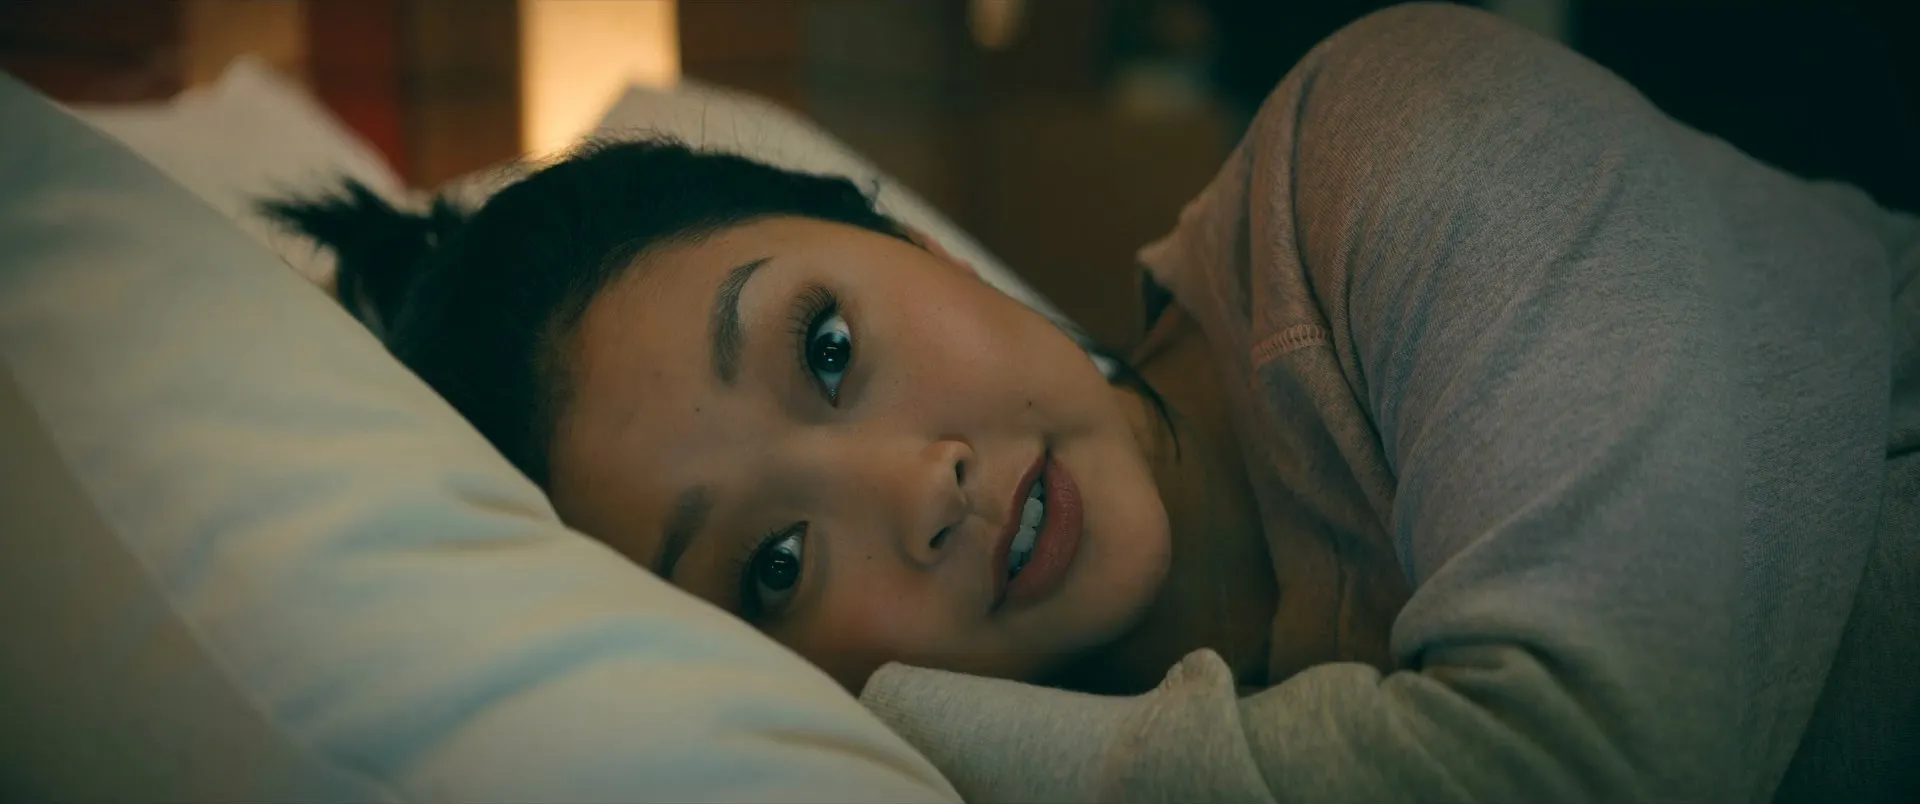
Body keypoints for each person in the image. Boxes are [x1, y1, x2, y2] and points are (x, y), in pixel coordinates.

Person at [268, 4, 1918, 801]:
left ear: (905, 238)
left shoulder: (1406, 142)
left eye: (826, 348)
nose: (916, 489)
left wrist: (936, 725)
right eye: (774, 565)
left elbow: (1584, 772)